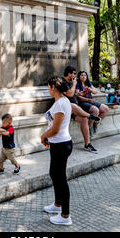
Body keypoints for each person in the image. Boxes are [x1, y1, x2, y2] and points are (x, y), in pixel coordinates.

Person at [41, 76, 73, 225]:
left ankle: (65, 216)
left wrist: (43, 136)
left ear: (53, 87)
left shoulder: (61, 104)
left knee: (60, 178)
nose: (48, 89)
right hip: (57, 144)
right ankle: (57, 204)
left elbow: (55, 130)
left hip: (61, 144)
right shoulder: (62, 101)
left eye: (49, 87)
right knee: (54, 174)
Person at [62, 66, 100, 153]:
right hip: (64, 108)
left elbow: (74, 94)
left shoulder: (71, 82)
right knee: (72, 105)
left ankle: (87, 144)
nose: (76, 76)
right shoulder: (62, 82)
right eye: (75, 74)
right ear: (69, 74)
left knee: (84, 119)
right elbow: (70, 94)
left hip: (73, 110)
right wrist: (74, 84)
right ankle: (90, 116)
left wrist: (80, 93)